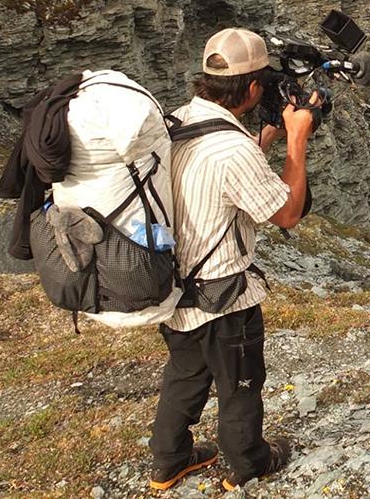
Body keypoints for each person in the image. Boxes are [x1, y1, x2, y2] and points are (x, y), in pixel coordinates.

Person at [148, 27, 316, 491]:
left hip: (175, 288)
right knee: (240, 383)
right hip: (223, 294)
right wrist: (297, 139)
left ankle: (169, 460)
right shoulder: (233, 148)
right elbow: (285, 214)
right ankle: (249, 462)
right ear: (255, 86)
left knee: (185, 374)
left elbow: (219, 179)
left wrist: (263, 139)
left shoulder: (178, 120)